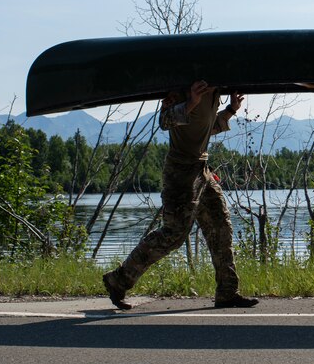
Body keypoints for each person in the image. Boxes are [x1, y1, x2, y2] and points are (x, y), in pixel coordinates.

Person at [102, 79, 258, 310]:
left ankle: (227, 292)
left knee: (221, 228)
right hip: (180, 173)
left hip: (202, 170)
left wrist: (231, 110)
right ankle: (118, 280)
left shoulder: (217, 93)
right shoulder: (185, 91)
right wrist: (191, 102)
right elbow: (164, 121)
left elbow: (207, 128)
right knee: (173, 233)